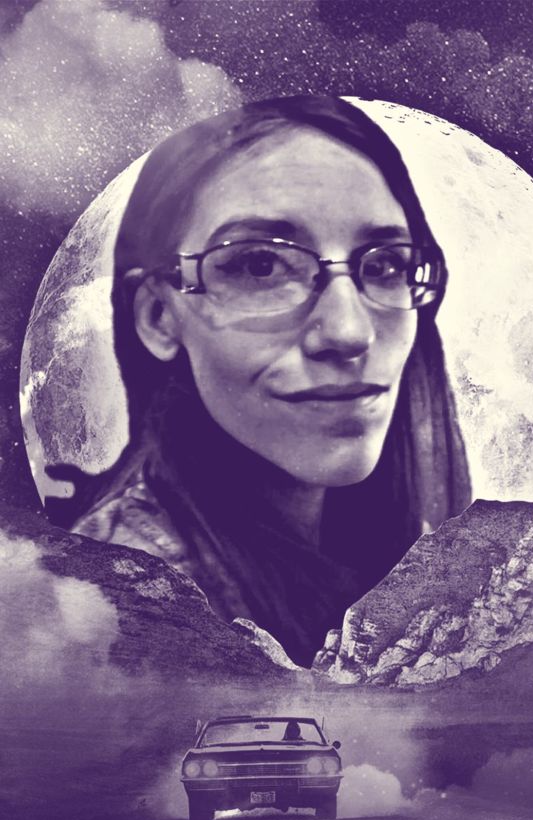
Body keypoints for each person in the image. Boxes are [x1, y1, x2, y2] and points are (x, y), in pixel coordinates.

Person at [46, 95, 470, 667]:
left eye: (384, 265)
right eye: (260, 265)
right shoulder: (119, 617)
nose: (349, 332)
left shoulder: (389, 550)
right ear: (159, 316)